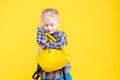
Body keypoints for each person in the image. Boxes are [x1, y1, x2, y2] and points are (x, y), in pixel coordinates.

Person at [36, 8, 72, 80]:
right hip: (46, 75)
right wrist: (40, 29)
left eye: (52, 25)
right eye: (46, 25)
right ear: (42, 24)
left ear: (58, 23)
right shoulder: (43, 34)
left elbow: (59, 45)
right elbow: (40, 42)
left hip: (61, 73)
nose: (49, 28)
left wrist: (45, 46)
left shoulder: (61, 34)